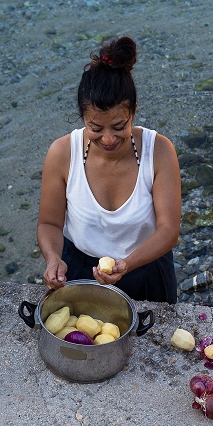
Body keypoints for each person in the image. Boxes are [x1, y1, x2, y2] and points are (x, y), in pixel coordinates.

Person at [37, 36, 181, 303]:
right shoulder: (62, 153)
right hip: (78, 271)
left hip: (147, 271)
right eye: (95, 128)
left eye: (118, 127)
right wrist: (53, 258)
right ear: (83, 118)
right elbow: (49, 223)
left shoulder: (159, 151)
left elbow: (168, 230)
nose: (108, 139)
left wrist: (127, 263)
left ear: (133, 112)